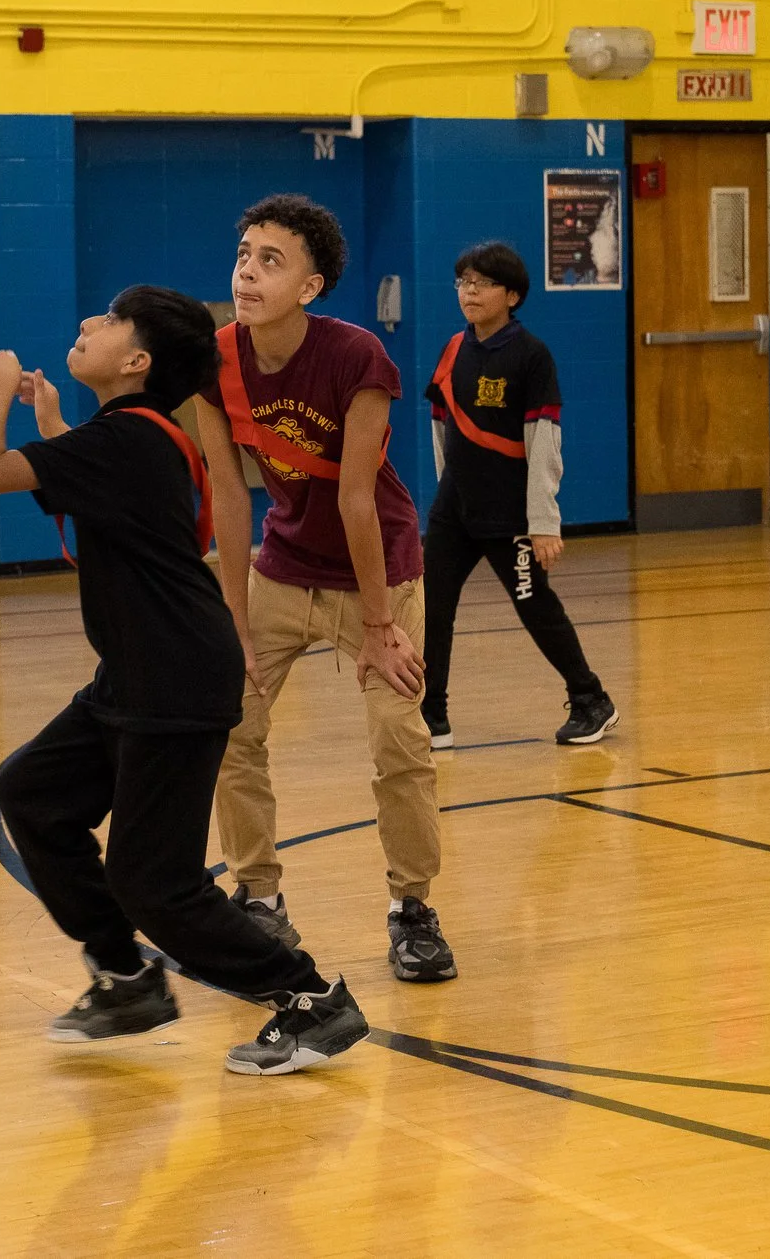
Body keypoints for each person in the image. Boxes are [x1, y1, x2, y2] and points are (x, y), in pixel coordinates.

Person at [0, 288, 368, 1076]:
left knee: (157, 883)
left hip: (174, 678)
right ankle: (126, 978)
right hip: (138, 673)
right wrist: (49, 418)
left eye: (107, 321)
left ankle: (311, 998)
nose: (85, 324)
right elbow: (75, 474)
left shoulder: (129, 441)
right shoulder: (128, 436)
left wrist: (3, 385)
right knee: (34, 796)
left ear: (138, 362)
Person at [197, 194, 457, 984]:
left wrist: (380, 624)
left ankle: (412, 908)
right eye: (244, 253)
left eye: (271, 259)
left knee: (398, 741)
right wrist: (234, 623)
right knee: (228, 720)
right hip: (281, 568)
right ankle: (259, 897)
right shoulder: (216, 359)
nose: (248, 269)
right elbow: (230, 495)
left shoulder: (357, 358)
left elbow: (355, 499)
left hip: (375, 569)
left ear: (310, 288)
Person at [419, 242, 615, 748]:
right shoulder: (452, 351)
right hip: (453, 513)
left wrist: (543, 521)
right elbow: (441, 426)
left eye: (481, 284)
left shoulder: (531, 355)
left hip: (510, 517)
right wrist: (449, 489)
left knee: (535, 607)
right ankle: (431, 715)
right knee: (430, 608)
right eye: (463, 282)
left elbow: (544, 440)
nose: (469, 292)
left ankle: (591, 700)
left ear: (511, 295)